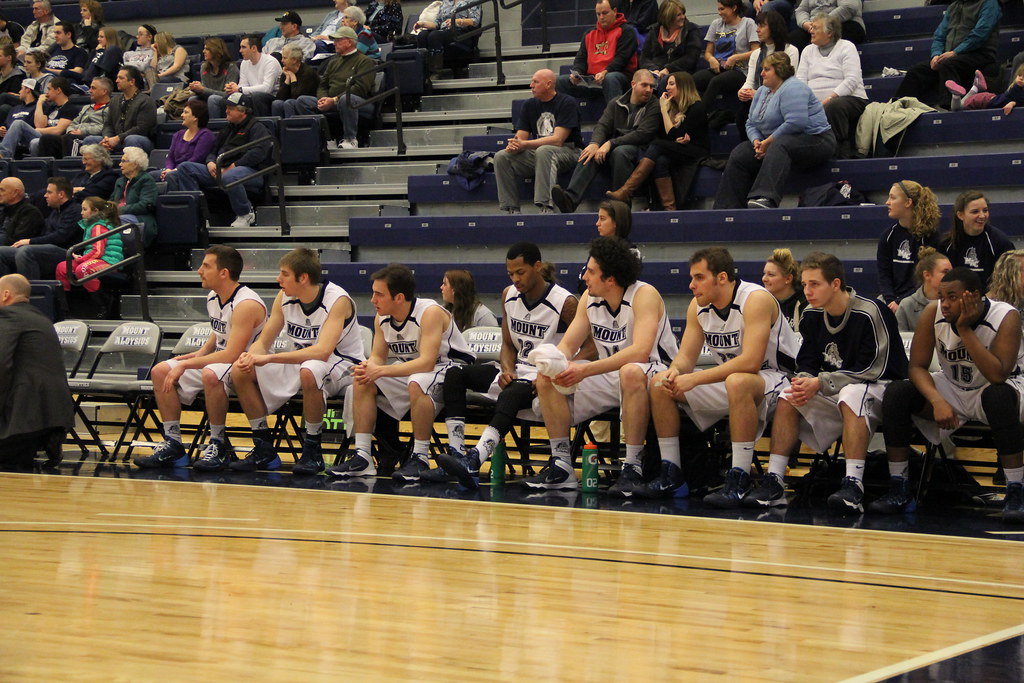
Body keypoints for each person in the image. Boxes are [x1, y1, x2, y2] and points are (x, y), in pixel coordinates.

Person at [753, 252, 907, 511]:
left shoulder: (870, 311)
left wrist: (821, 382)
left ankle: (853, 485)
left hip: (883, 388)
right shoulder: (812, 314)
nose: (807, 291)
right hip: (838, 387)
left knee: (852, 394)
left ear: (836, 284)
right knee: (788, 396)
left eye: (814, 284)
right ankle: (775, 481)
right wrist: (804, 381)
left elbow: (875, 368)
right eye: (804, 284)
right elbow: (807, 361)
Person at [648, 246, 798, 501]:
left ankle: (739, 477)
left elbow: (751, 361)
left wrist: (695, 378)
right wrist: (675, 371)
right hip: (733, 381)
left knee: (738, 381)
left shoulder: (755, 299)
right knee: (660, 383)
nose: (692, 285)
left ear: (722, 277)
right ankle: (671, 473)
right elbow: (686, 357)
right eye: (692, 277)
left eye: (699, 277)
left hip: (779, 379)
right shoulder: (697, 306)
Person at [877, 267, 1024, 523]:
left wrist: (964, 329)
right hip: (954, 386)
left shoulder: (1005, 316)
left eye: (952, 297)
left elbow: (997, 375)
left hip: (999, 387)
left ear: (974, 296)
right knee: (897, 392)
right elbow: (916, 367)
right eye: (941, 297)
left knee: (997, 397)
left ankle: (1015, 490)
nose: (944, 304)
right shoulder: (932, 312)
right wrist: (937, 400)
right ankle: (899, 485)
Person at [530, 236, 677, 491]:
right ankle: (562, 464)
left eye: (590, 271)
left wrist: (585, 369)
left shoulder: (644, 295)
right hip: (610, 373)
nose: (584, 276)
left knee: (630, 372)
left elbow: (641, 352)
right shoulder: (589, 298)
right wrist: (551, 363)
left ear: (610, 278)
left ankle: (632, 467)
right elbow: (568, 346)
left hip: (655, 372)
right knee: (547, 379)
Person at [438, 242, 588, 488]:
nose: (515, 279)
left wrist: (559, 367)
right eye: (511, 274)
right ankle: (456, 454)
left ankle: (475, 459)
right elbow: (508, 344)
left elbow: (591, 346)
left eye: (521, 272)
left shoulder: (565, 302)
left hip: (543, 376)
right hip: (517, 369)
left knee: (512, 392)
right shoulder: (509, 294)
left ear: (537, 267)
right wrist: (507, 369)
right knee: (455, 374)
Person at [327, 263, 475, 480]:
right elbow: (378, 357)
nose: (373, 300)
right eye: (373, 293)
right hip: (415, 370)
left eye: (379, 294)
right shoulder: (381, 318)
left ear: (399, 297)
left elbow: (427, 363)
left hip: (451, 369)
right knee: (363, 380)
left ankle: (420, 457)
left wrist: (381, 371)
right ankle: (363, 456)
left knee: (417, 381)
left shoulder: (429, 312)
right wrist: (368, 367)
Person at [225, 248, 365, 474]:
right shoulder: (284, 297)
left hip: (343, 364)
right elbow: (264, 341)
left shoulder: (337, 300)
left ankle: (312, 449)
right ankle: (263, 447)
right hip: (300, 360)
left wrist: (269, 358)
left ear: (303, 278)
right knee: (240, 370)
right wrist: (250, 356)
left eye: (284, 274)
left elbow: (322, 352)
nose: (278, 279)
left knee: (310, 369)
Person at [134, 246, 268, 469]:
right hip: (223, 361)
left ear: (223, 273)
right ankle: (173, 444)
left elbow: (232, 354)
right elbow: (220, 329)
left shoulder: (246, 304)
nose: (199, 271)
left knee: (210, 374)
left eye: (206, 266)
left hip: (248, 365)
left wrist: (187, 364)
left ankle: (218, 444)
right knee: (161, 371)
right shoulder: (214, 296)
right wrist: (202, 352)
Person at [713, 52, 835, 210]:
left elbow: (796, 123)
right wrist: (757, 142)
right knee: (741, 152)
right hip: (776, 143)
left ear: (780, 70)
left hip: (817, 140)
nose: (761, 73)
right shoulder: (762, 91)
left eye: (766, 69)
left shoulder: (794, 87)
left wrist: (768, 142)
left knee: (780, 144)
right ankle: (727, 207)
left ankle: (766, 198)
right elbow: (750, 123)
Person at [549, 69, 659, 214]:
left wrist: (610, 143)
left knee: (620, 152)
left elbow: (642, 134)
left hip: (640, 150)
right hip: (615, 147)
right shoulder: (616, 102)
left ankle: (620, 207)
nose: (649, 90)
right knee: (589, 152)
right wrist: (594, 144)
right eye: (644, 85)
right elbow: (602, 126)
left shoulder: (654, 105)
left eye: (651, 86)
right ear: (633, 84)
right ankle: (570, 199)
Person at [167, 92, 273, 229]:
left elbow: (258, 153)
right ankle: (199, 216)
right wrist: (210, 162)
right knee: (185, 168)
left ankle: (245, 213)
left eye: (230, 108)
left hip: (250, 172)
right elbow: (213, 150)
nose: (226, 111)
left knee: (230, 176)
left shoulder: (257, 128)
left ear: (243, 111)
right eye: (226, 108)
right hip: (221, 169)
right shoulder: (228, 128)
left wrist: (234, 165)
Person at [0, 274, 74, 471]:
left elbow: (1, 363)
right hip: (54, 414)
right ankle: (46, 439)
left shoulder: (8, 315)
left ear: (6, 294)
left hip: (24, 416)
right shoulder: (41, 318)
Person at [604, 70, 708, 210]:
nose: (667, 87)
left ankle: (627, 190)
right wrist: (673, 132)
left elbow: (673, 135)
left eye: (671, 84)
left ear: (683, 86)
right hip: (678, 149)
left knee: (656, 145)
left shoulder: (696, 107)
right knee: (660, 161)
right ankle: (669, 209)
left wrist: (663, 109)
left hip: (697, 150)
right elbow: (668, 136)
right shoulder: (673, 106)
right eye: (667, 84)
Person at [494, 69, 582, 215]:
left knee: (544, 150)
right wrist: (514, 145)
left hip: (570, 152)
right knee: (501, 157)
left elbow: (558, 140)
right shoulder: (529, 105)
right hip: (541, 153)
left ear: (548, 84)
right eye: (531, 82)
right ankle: (511, 209)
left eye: (535, 82)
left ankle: (546, 206)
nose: (531, 85)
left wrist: (524, 144)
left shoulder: (567, 102)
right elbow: (520, 138)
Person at [276, 27, 374, 150]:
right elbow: (323, 84)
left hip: (359, 102)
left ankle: (350, 139)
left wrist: (334, 99)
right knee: (302, 101)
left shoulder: (365, 61)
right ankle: (324, 139)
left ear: (349, 42)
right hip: (332, 100)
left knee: (346, 99)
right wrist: (323, 99)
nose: (334, 43)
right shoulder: (333, 61)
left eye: (338, 40)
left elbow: (360, 88)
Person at [892, 0, 1000, 109]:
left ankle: (948, 109)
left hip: (980, 53)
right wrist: (936, 55)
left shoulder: (989, 3)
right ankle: (897, 107)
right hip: (952, 56)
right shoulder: (954, 6)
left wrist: (956, 52)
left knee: (948, 64)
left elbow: (980, 34)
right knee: (917, 71)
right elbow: (939, 36)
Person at [796, 13, 866, 159]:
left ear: (829, 33)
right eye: (811, 27)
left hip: (851, 98)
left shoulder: (847, 47)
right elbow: (800, 81)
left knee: (834, 106)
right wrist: (808, 101)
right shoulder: (807, 51)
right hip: (816, 101)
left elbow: (852, 80)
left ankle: (840, 151)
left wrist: (829, 98)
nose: (811, 31)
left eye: (815, 28)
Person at [692, 0, 759, 129]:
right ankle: (704, 113)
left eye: (722, 9)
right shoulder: (716, 24)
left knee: (716, 81)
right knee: (694, 80)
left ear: (733, 8)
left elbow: (756, 51)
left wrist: (736, 58)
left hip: (740, 70)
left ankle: (698, 119)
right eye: (719, 9)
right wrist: (711, 59)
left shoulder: (748, 23)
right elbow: (708, 53)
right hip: (718, 68)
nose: (720, 13)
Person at [876, 180, 941, 312]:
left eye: (892, 197)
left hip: (920, 298)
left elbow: (925, 279)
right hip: (891, 300)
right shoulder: (888, 236)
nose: (887, 202)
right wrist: (890, 300)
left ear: (908, 202)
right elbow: (884, 274)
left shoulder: (930, 237)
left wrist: (901, 302)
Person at [54, 196, 123, 318]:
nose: (81, 212)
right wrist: (81, 258)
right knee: (62, 267)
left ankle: (105, 304)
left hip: (109, 261)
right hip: (95, 259)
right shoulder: (91, 225)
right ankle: (65, 309)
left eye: (85, 209)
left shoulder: (98, 227)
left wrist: (81, 259)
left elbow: (98, 252)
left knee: (83, 269)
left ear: (95, 211)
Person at [0, 176, 80, 280]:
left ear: (61, 194)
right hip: (47, 249)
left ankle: (31, 289)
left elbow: (61, 237)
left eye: (49, 192)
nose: (45, 195)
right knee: (1, 252)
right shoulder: (55, 211)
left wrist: (30, 241)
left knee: (25, 251)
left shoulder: (75, 211)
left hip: (67, 252)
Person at [557, 1, 637, 103]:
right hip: (593, 81)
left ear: (614, 11)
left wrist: (605, 72)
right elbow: (581, 59)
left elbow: (622, 59)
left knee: (610, 78)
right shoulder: (589, 34)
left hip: (618, 77)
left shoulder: (626, 31)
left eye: (605, 13)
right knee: (560, 82)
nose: (601, 17)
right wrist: (577, 73)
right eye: (598, 14)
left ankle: (615, 113)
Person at [738, 10, 798, 142]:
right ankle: (754, 144)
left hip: (781, 98)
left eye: (762, 26)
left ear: (774, 28)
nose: (757, 30)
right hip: (758, 97)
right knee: (743, 111)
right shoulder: (756, 54)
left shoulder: (790, 50)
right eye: (757, 25)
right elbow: (750, 81)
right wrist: (743, 91)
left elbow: (791, 82)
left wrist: (759, 94)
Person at [940, 189, 1013, 285]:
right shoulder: (947, 244)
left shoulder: (1000, 242)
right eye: (975, 212)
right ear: (960, 215)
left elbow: (1009, 279)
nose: (982, 216)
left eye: (985, 210)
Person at [81, 66, 156, 154]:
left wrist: (118, 138)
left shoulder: (146, 101)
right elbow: (108, 124)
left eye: (121, 78)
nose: (116, 81)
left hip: (140, 140)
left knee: (132, 139)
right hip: (116, 139)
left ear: (132, 82)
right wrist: (107, 138)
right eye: (117, 78)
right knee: (90, 140)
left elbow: (142, 129)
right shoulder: (115, 100)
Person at [0, 76, 78, 159]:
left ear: (58, 90)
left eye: (49, 89)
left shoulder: (70, 108)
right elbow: (39, 125)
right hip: (42, 137)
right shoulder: (51, 108)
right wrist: (39, 103)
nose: (47, 92)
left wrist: (37, 130)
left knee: (19, 124)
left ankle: (4, 155)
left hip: (55, 141)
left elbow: (57, 131)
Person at [35, 75, 110, 158]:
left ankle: (70, 165)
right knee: (47, 139)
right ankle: (47, 166)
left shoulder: (111, 108)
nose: (90, 91)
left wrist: (82, 131)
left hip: (90, 136)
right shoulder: (86, 107)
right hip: (75, 134)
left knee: (69, 138)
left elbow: (106, 127)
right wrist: (71, 130)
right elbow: (74, 122)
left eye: (93, 88)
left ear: (104, 91)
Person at [208, 35, 281, 119]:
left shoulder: (270, 62)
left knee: (257, 96)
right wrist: (233, 88)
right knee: (227, 99)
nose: (240, 51)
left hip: (270, 97)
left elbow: (267, 88)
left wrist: (240, 89)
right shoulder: (244, 63)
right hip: (251, 96)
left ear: (253, 48)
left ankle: (260, 123)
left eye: (243, 47)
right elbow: (243, 85)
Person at [638, 0, 702, 91]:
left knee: (665, 81)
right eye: (678, 15)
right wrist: (653, 69)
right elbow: (644, 57)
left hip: (681, 73)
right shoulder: (654, 31)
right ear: (668, 17)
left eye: (683, 14)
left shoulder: (691, 30)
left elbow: (691, 58)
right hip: (656, 72)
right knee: (639, 82)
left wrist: (668, 69)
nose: (683, 17)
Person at [416, 0, 482, 76]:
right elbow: (438, 23)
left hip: (462, 33)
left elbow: (475, 21)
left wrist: (457, 21)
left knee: (435, 36)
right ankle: (422, 72)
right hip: (444, 31)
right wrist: (423, 24)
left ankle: (436, 73)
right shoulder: (446, 2)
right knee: (422, 35)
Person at [156, 99, 215, 184]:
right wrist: (168, 169)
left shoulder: (206, 135)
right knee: (149, 176)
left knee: (171, 176)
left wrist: (174, 170)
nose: (182, 115)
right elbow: (170, 157)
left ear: (195, 117)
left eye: (186, 112)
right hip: (172, 171)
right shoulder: (178, 134)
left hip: (190, 172)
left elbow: (196, 159)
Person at [895, 247, 952, 332]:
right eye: (945, 272)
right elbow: (900, 338)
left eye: (952, 272)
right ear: (927, 275)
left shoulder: (956, 303)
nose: (951, 276)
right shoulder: (906, 305)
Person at [110, 146, 158, 246]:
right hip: (119, 215)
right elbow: (111, 201)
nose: (120, 164)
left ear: (135, 164)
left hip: (140, 219)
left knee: (114, 221)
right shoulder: (120, 181)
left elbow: (145, 205)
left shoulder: (146, 180)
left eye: (123, 161)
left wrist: (119, 210)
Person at [789, 0, 864, 52]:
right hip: (814, 25)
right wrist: (805, 23)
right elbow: (801, 10)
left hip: (843, 22)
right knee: (792, 42)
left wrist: (824, 22)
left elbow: (849, 7)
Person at [949, 63, 1024, 115]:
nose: (1020, 78)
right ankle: (956, 95)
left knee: (961, 106)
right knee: (957, 109)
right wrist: (1013, 103)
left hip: (987, 98)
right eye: (1019, 75)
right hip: (984, 101)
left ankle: (976, 86)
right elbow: (1020, 100)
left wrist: (1013, 103)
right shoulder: (1015, 88)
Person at [270, 44, 319, 118]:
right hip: (292, 100)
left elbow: (297, 97)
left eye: (284, 58)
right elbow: (280, 97)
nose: (282, 61)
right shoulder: (286, 73)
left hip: (307, 103)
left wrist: (293, 79)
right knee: (276, 103)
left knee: (289, 103)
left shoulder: (308, 73)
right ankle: (278, 125)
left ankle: (291, 125)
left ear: (294, 60)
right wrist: (287, 79)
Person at [763, 247, 805, 331]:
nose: (764, 279)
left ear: (788, 279)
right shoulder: (764, 303)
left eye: (771, 275)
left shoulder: (805, 304)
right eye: (764, 274)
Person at [187, 37, 239, 104]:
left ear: (215, 50)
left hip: (226, 101)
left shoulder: (231, 67)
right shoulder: (204, 67)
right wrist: (197, 89)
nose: (203, 51)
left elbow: (228, 94)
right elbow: (205, 92)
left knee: (212, 98)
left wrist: (203, 89)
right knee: (192, 99)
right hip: (209, 99)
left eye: (207, 49)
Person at [0, 178, 44, 247]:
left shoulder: (30, 212)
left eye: (2, 190)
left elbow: (17, 240)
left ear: (15, 193)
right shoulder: (5, 210)